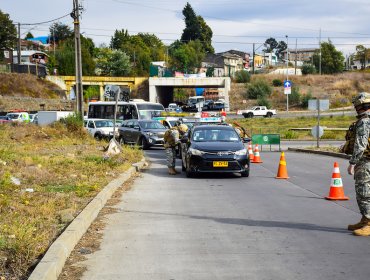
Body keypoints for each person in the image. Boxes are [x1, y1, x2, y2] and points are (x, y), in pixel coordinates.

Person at [345, 92, 370, 236]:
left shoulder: (365, 121)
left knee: (364, 192)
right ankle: (364, 219)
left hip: (365, 161)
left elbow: (360, 144)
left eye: (357, 105)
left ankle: (368, 222)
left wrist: (352, 163)